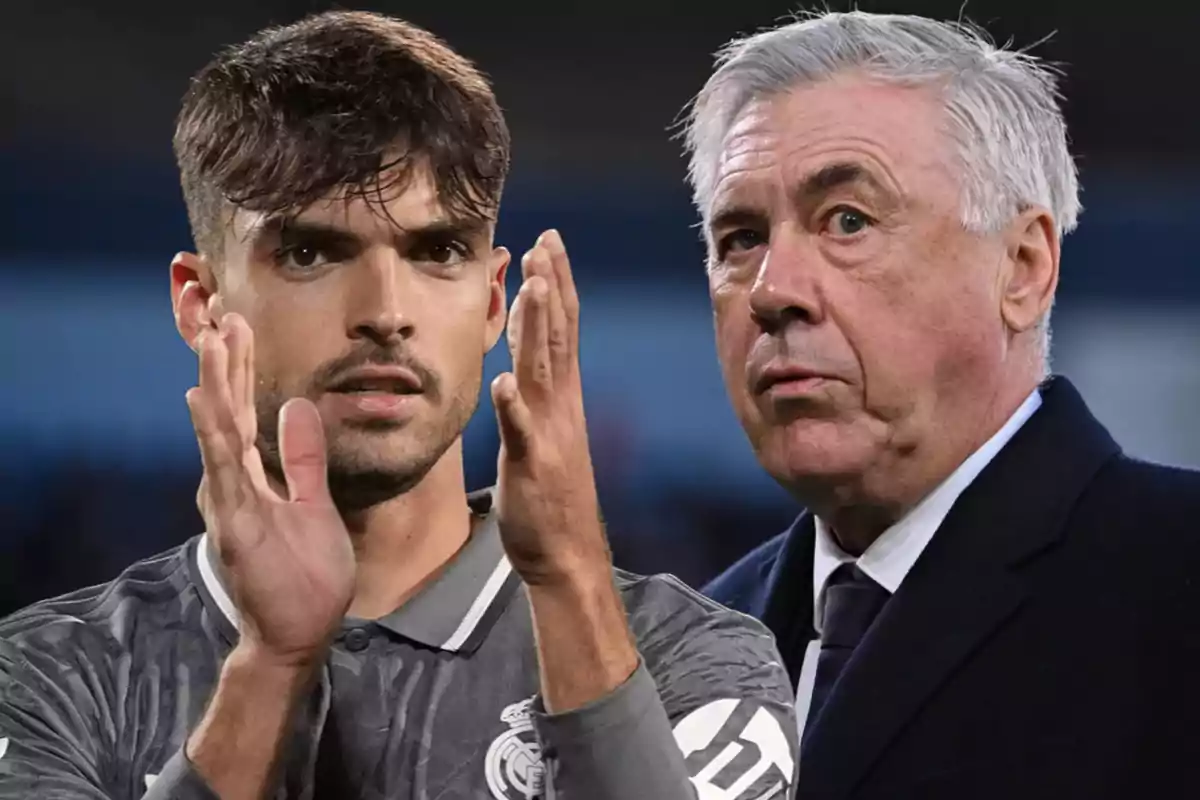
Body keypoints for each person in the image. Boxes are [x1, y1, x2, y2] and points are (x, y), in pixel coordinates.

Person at [0, 11, 797, 800]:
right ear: (200, 304)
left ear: (493, 302)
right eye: (311, 252)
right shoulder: (47, 677)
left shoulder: (695, 662)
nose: (385, 311)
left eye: (436, 252)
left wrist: (569, 587)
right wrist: (269, 669)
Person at [689, 10, 1200, 800]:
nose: (773, 290)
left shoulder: (1175, 583)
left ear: (1023, 268)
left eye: (848, 221)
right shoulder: (693, 647)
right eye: (741, 238)